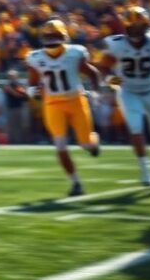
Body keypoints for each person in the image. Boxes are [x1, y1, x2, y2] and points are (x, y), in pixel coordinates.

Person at [25, 19, 102, 196]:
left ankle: (93, 142)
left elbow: (93, 73)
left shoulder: (75, 53)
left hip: (76, 100)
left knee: (85, 143)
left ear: (64, 37)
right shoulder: (36, 57)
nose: (52, 40)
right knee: (60, 144)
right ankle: (75, 183)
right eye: (49, 36)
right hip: (52, 103)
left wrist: (96, 93)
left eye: (55, 36)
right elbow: (32, 82)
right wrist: (32, 92)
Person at [97, 7, 150, 186]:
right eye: (132, 26)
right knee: (135, 128)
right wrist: (111, 78)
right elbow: (103, 67)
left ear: (146, 25)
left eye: (139, 26)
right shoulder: (116, 43)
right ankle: (145, 168)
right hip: (129, 90)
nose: (136, 30)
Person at [3, 70, 30, 144]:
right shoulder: (8, 85)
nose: (11, 77)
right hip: (10, 107)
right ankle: (11, 141)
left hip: (18, 107)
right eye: (9, 76)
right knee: (11, 126)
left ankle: (19, 141)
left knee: (19, 125)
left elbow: (22, 95)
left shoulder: (18, 85)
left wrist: (11, 90)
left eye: (12, 76)